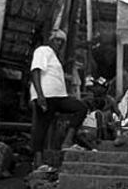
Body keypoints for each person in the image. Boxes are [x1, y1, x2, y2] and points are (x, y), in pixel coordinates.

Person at [30, 29, 88, 169]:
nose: (59, 44)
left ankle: (67, 141)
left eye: (62, 42)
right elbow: (35, 71)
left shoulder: (55, 57)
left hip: (59, 97)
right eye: (57, 40)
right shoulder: (42, 50)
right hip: (46, 95)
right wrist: (40, 95)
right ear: (51, 40)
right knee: (41, 126)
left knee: (81, 108)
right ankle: (38, 160)